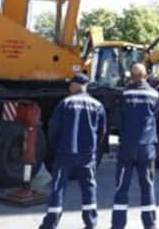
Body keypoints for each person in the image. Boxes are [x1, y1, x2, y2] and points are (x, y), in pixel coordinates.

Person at [40, 73, 108, 229]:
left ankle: (50, 223)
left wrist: (54, 147)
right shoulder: (97, 105)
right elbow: (102, 131)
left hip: (65, 152)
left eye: (71, 85)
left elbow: (53, 127)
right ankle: (90, 223)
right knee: (89, 187)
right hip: (87, 154)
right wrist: (94, 148)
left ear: (76, 85)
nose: (69, 87)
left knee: (58, 186)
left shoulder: (65, 103)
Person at [110, 63, 159, 229]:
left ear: (131, 76)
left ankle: (117, 225)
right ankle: (150, 224)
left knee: (122, 187)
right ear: (146, 76)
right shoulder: (154, 94)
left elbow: (120, 119)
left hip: (127, 148)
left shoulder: (124, 94)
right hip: (146, 147)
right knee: (147, 187)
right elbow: (155, 119)